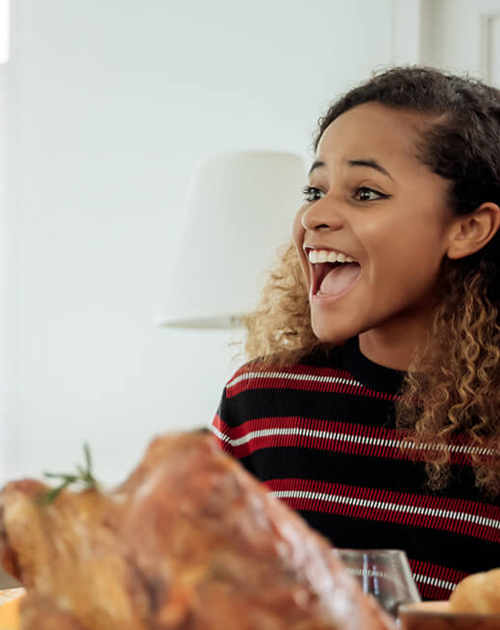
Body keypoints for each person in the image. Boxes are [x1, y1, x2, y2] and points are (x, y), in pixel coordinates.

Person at [212, 66, 500, 601]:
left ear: (467, 228)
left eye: (365, 193)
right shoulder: (259, 404)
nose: (316, 214)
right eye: (314, 189)